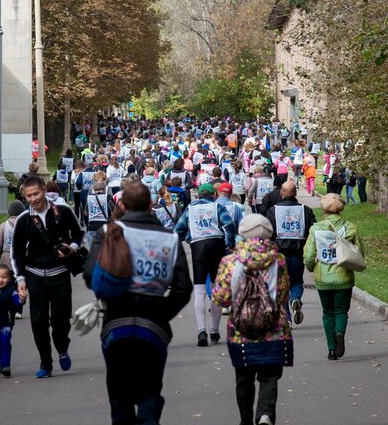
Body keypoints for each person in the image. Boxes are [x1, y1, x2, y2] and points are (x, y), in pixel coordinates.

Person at [83, 182, 192, 425]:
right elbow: (183, 288)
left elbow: (90, 275)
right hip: (153, 324)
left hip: (116, 322)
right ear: (151, 205)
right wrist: (163, 312)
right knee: (150, 391)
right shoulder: (170, 239)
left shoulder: (109, 233)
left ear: (121, 204)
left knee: (119, 394)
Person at [212, 214, 294, 425]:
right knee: (269, 377)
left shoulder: (230, 261)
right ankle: (265, 414)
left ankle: (246, 420)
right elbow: (284, 295)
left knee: (244, 379)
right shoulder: (279, 260)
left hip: (241, 330)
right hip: (274, 328)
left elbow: (221, 298)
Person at [11, 176, 85, 378]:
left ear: (44, 190)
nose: (33, 199)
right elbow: (16, 252)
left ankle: (62, 347)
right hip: (35, 276)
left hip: (59, 275)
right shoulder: (24, 220)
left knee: (61, 321)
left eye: (36, 194)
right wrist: (20, 279)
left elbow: (79, 234)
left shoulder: (63, 212)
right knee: (38, 322)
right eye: (28, 196)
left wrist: (72, 248)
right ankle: (45, 362)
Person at [303, 193, 364, 360]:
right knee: (341, 310)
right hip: (344, 277)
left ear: (324, 209)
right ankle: (340, 333)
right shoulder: (350, 227)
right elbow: (359, 252)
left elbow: (309, 255)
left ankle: (331, 349)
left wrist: (310, 267)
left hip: (323, 278)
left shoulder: (316, 228)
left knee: (328, 312)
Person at [174, 183, 236, 346]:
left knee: (200, 289)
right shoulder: (217, 207)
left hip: (198, 247)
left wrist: (186, 238)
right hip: (216, 245)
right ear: (214, 194)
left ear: (198, 195)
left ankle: (201, 331)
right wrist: (229, 241)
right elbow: (229, 225)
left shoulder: (190, 209)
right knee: (216, 288)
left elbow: (178, 230)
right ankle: (214, 331)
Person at [266, 182, 316, 325]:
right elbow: (312, 231)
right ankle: (295, 299)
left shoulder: (273, 210)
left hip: (279, 253)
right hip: (297, 252)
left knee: (280, 286)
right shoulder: (305, 210)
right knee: (296, 281)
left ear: (282, 193)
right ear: (295, 193)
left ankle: (286, 317)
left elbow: (268, 233)